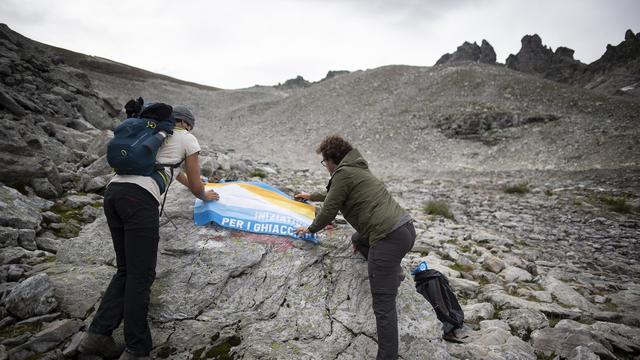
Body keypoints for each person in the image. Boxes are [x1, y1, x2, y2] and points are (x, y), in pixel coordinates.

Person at [78, 106, 219, 360]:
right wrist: (203, 194)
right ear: (187, 124)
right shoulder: (186, 138)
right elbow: (196, 182)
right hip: (138, 201)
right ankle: (136, 348)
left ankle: (96, 336)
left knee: (125, 270)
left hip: (113, 194)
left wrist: (193, 187)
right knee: (140, 277)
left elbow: (174, 173)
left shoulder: (152, 135)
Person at [294, 135, 415, 360]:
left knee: (383, 306)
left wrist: (310, 229)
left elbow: (329, 209)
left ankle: (387, 357)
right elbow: (336, 193)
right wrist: (311, 196)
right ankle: (394, 270)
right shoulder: (356, 168)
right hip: (405, 230)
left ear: (332, 160)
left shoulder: (343, 173)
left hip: (387, 238)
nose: (325, 167)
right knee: (358, 239)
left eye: (324, 162)